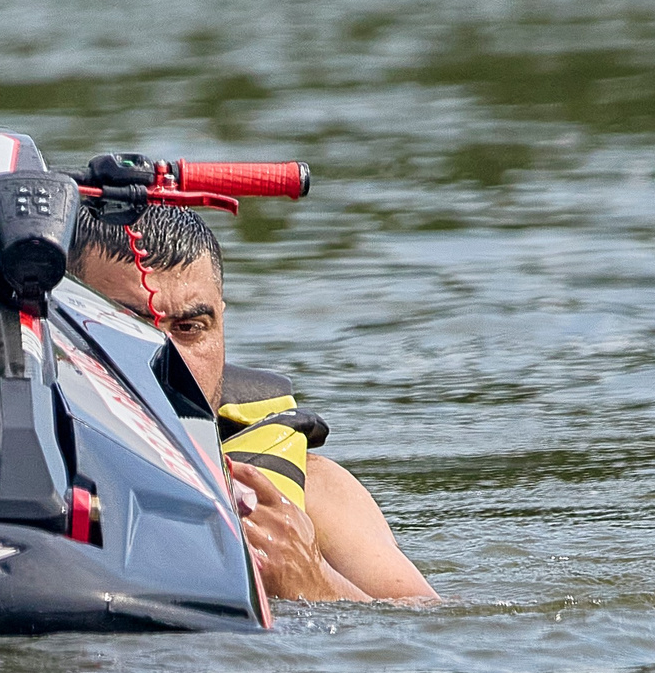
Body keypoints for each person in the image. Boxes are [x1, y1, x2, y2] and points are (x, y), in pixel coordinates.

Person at [68, 205, 438, 604]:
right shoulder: (15, 463)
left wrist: (312, 580)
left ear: (221, 324)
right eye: (130, 326)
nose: (167, 361)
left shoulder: (305, 499)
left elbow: (432, 634)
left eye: (190, 329)